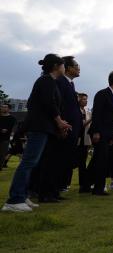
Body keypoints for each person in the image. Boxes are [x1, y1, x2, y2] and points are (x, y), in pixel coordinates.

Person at [2, 54, 71, 212]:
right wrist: (59, 121)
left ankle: (23, 195)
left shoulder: (49, 82)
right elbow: (49, 103)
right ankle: (14, 199)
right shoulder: (46, 80)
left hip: (44, 127)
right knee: (28, 162)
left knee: (33, 162)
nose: (64, 68)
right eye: (62, 65)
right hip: (39, 127)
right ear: (55, 66)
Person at [85, 71, 113, 196]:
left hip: (108, 134)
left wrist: (111, 135)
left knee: (97, 160)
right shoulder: (102, 94)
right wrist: (96, 132)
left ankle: (85, 185)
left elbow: (112, 118)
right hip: (99, 132)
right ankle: (98, 188)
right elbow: (97, 114)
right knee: (102, 160)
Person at [55, 56, 83, 193]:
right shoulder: (60, 82)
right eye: (76, 65)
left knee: (66, 159)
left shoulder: (70, 84)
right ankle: (54, 187)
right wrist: (61, 125)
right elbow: (60, 106)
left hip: (72, 129)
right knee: (59, 158)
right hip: (64, 128)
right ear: (69, 68)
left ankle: (59, 186)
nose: (79, 68)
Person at [77, 93, 92, 192]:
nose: (85, 101)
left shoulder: (87, 111)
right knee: (75, 162)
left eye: (86, 99)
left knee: (83, 163)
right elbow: (81, 124)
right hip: (77, 138)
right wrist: (91, 118)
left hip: (84, 140)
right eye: (83, 99)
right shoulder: (76, 111)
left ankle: (83, 184)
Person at [0, 103, 16, 172]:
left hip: (5, 139)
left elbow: (11, 128)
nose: (3, 108)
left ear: (9, 109)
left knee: (2, 155)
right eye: (2, 107)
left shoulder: (12, 119)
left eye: (5, 107)